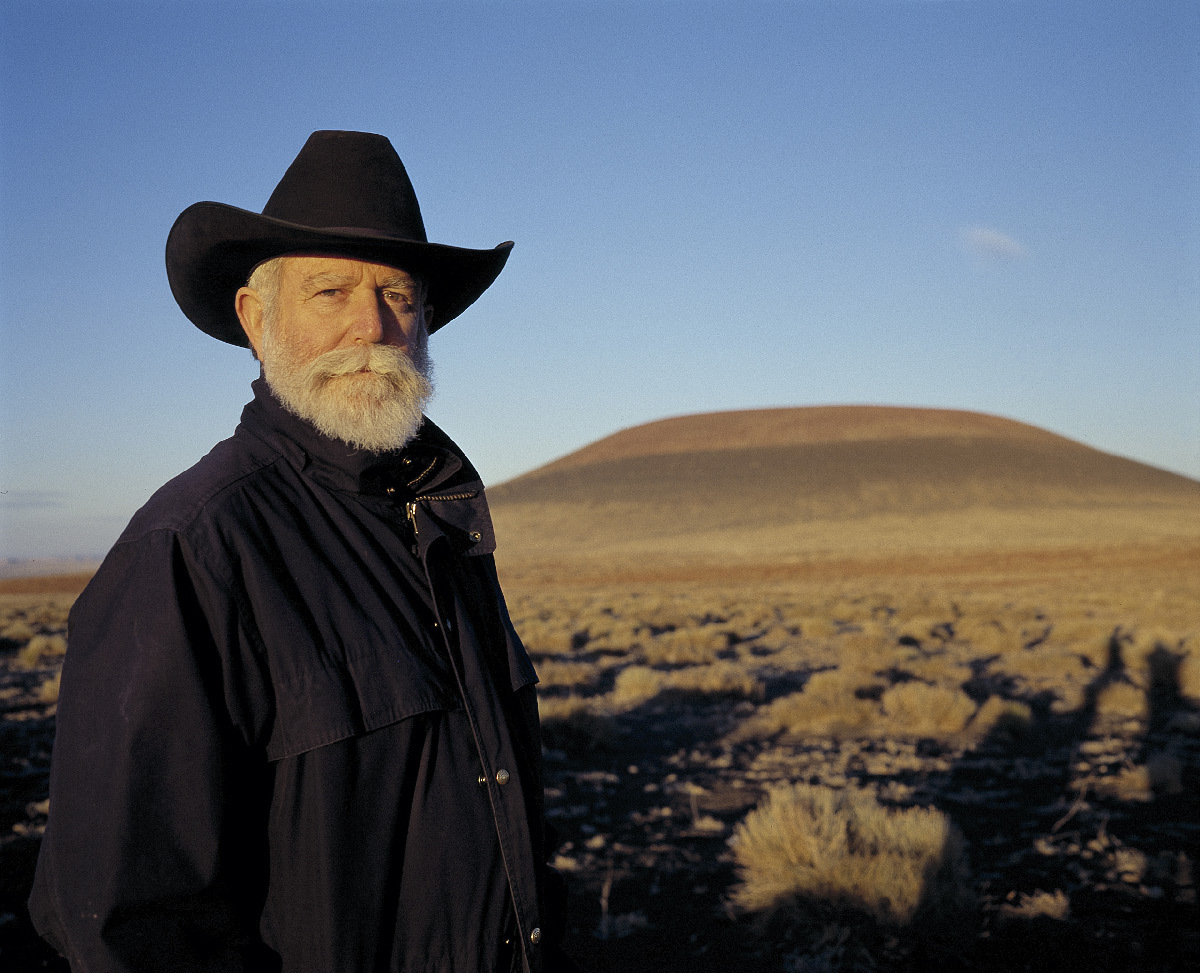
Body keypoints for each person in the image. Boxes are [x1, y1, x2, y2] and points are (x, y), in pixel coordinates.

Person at [30, 130, 572, 973]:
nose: (372, 325)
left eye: (398, 294)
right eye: (330, 290)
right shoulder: (193, 549)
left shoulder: (443, 523)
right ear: (256, 317)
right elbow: (129, 924)